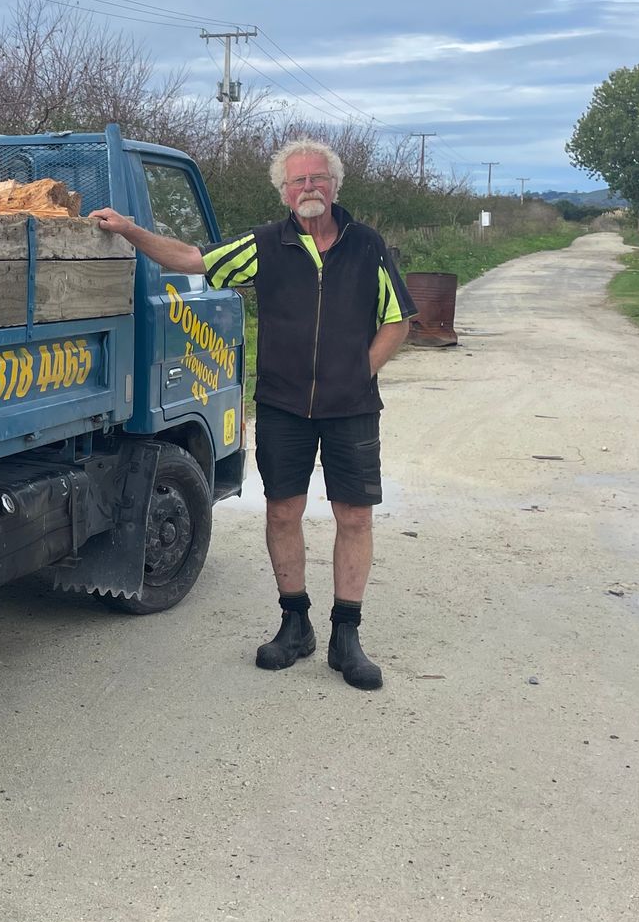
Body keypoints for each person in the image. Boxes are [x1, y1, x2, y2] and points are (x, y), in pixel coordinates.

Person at [90, 139, 413, 690]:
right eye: (297, 182)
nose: (308, 188)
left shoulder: (367, 246)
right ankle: (295, 624)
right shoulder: (265, 244)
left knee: (354, 517)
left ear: (335, 185)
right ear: (283, 192)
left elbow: (398, 319)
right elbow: (192, 259)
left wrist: (361, 372)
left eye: (317, 178)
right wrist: (129, 230)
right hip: (284, 406)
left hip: (351, 409)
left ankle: (346, 635)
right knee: (283, 513)